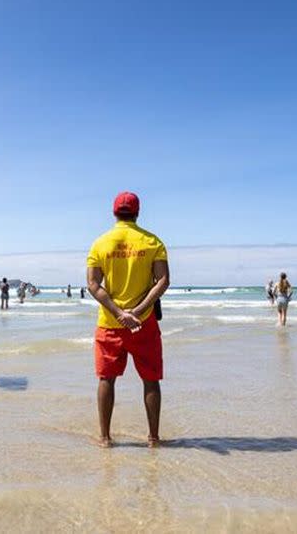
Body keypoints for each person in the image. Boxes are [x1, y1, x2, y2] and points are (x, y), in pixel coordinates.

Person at [86, 191, 170, 448]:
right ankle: (153, 438)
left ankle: (105, 438)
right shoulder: (152, 241)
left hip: (110, 324)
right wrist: (139, 310)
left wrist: (119, 312)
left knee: (106, 379)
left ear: (114, 213)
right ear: (137, 213)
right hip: (143, 324)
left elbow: (92, 284)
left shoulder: (101, 243)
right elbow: (163, 281)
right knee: (151, 379)